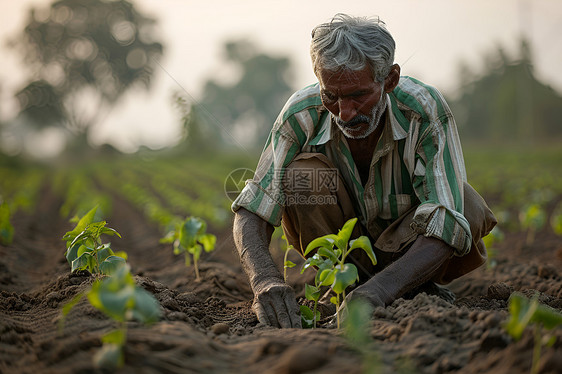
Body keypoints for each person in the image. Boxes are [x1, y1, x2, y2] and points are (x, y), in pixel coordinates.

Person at [231, 13, 497, 328]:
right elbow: (253, 209)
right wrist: (264, 280)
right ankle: (350, 288)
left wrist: (379, 290)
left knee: (463, 203)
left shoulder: (421, 111)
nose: (344, 112)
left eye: (358, 95)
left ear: (390, 80)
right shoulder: (300, 114)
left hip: (408, 246)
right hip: (343, 258)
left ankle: (407, 285)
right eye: (331, 95)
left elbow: (446, 220)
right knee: (300, 176)